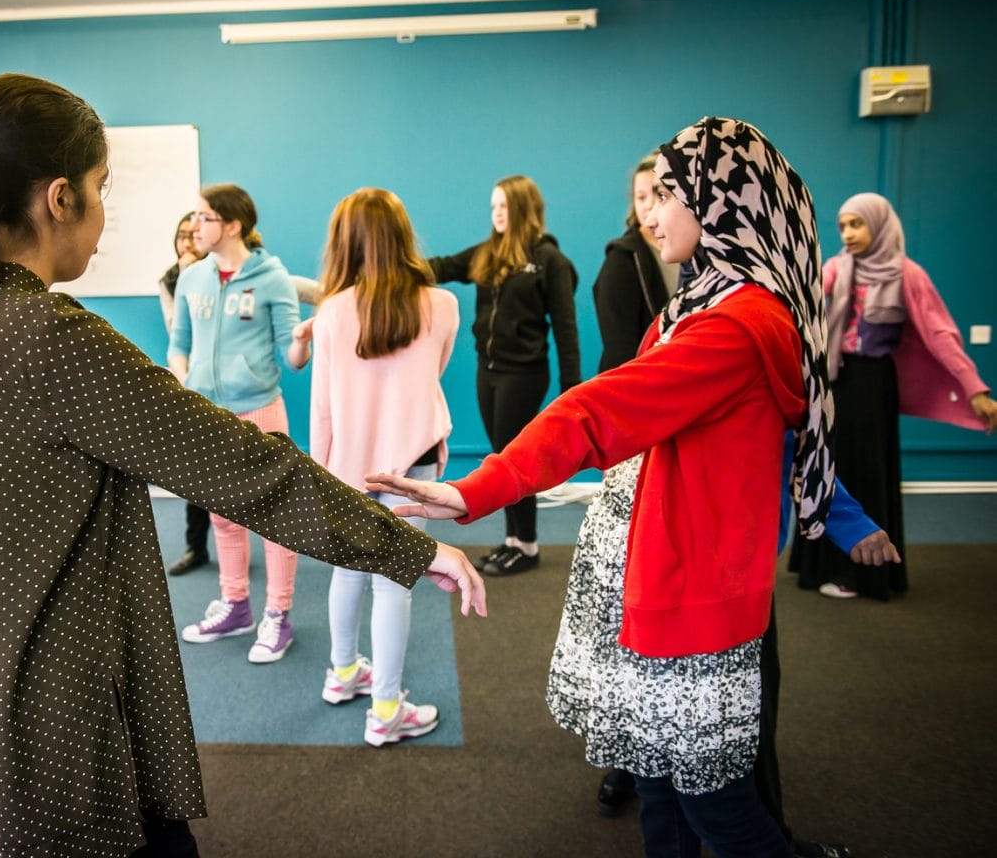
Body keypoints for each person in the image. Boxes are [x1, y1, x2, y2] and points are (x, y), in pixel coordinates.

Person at [0, 73, 484, 857]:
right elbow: (248, 466)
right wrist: (412, 548)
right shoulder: (48, 337)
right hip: (72, 731)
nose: (102, 211)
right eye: (98, 187)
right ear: (59, 199)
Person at [370, 117, 834, 857]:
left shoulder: (738, 325)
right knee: (658, 788)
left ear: (721, 203)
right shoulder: (695, 308)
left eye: (672, 195)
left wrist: (478, 489)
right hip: (662, 578)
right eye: (648, 197)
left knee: (718, 809)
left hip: (696, 600)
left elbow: (601, 411)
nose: (651, 214)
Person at [587, 435, 899, 858]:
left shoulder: (756, 374)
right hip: (645, 580)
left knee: (722, 779)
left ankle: (773, 836)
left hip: (729, 592)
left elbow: (797, 445)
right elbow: (596, 426)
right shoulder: (651, 379)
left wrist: (849, 520)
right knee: (660, 768)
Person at [295, 187, 459, 746]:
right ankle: (385, 707)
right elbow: (432, 373)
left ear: (345, 242)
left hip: (346, 469)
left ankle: (344, 675)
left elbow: (322, 409)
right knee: (394, 588)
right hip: (411, 466)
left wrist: (316, 476)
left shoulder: (331, 314)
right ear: (400, 235)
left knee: (348, 573)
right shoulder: (442, 306)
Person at [789, 192, 997, 600]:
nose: (848, 233)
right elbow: (804, 303)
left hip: (872, 384)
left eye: (857, 224)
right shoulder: (837, 268)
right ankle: (820, 566)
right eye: (843, 225)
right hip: (835, 382)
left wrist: (974, 388)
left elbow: (940, 336)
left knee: (867, 471)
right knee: (830, 468)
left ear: (880, 225)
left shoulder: (907, 274)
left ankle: (862, 572)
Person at [168, 183, 310, 663]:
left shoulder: (272, 278)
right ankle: (235, 606)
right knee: (223, 516)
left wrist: (303, 342)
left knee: (276, 520)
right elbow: (178, 343)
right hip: (209, 413)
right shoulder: (192, 278)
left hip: (260, 409)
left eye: (204, 217)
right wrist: (187, 384)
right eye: (194, 216)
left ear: (232, 225)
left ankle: (278, 614)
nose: (194, 226)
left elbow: (291, 358)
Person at [428, 175, 581, 576]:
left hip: (524, 374)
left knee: (514, 458)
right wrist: (394, 267)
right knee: (501, 455)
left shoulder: (549, 261)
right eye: (493, 206)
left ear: (523, 209)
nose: (497, 213)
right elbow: (442, 267)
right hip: (489, 370)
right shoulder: (488, 254)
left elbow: (566, 328)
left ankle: (526, 545)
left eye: (504, 206)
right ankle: (512, 540)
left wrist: (573, 392)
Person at [157, 212, 212, 577]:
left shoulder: (230, 273)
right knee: (198, 473)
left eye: (194, 235)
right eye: (181, 236)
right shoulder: (170, 281)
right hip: (193, 382)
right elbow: (177, 331)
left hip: (233, 387)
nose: (187, 242)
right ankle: (197, 547)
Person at [593, 153, 682, 372]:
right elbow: (620, 349)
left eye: (657, 194)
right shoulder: (621, 259)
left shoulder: (687, 253)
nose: (648, 204)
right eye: (640, 197)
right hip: (639, 381)